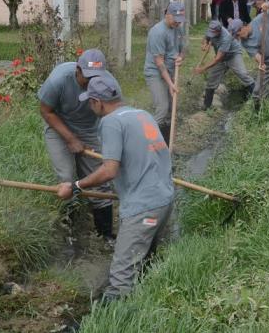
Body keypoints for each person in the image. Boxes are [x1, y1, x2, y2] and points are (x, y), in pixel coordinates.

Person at [56, 74, 174, 301]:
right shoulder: (143, 114)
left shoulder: (110, 122)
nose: (90, 106)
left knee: (121, 277)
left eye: (90, 102)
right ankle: (148, 304)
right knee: (146, 263)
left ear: (98, 102)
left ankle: (114, 319)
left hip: (143, 209)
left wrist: (76, 186)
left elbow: (109, 170)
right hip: (164, 201)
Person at [38, 49, 115, 241]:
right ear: (78, 70)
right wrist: (71, 139)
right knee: (67, 176)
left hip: (90, 129)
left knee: (100, 181)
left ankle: (104, 235)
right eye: (88, 77)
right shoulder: (59, 80)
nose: (92, 83)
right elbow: (46, 111)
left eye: (97, 77)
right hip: (58, 125)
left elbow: (114, 115)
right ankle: (69, 231)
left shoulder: (109, 84)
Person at [144, 1, 186, 143]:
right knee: (162, 108)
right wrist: (170, 84)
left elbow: (183, 48)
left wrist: (181, 57)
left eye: (180, 20)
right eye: (176, 19)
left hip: (170, 70)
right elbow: (159, 63)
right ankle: (146, 142)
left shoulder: (178, 28)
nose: (178, 23)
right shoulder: (157, 32)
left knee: (171, 109)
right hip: (155, 73)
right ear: (168, 15)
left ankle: (166, 143)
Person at [194, 19, 255, 110]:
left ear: (219, 31)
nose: (211, 35)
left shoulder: (226, 37)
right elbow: (206, 37)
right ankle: (206, 107)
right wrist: (205, 44)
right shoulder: (212, 30)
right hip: (221, 57)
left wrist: (203, 68)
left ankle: (256, 99)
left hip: (233, 55)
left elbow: (218, 58)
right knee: (212, 79)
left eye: (213, 34)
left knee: (243, 74)